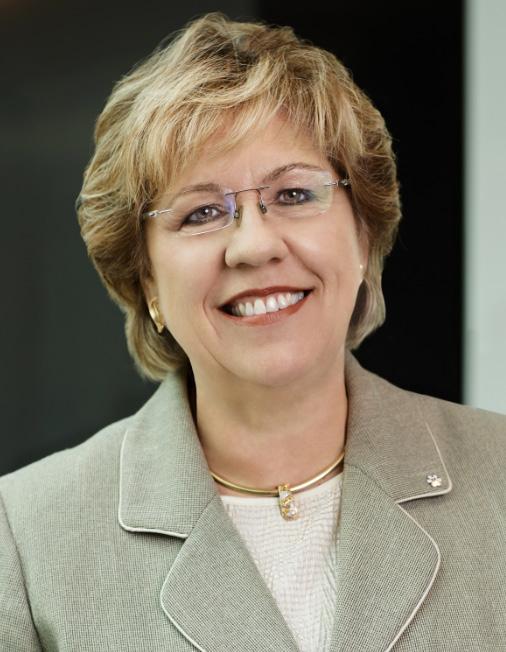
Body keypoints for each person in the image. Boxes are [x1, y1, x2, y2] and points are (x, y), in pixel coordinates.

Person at [1, 12, 505, 652]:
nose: (254, 245)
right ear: (147, 279)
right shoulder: (24, 536)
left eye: (293, 195)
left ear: (363, 236)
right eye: (201, 212)